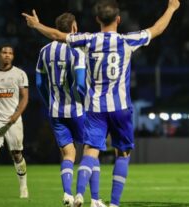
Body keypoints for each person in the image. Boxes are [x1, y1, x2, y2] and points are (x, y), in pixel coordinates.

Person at [22, 0, 181, 206]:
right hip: (121, 107)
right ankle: (113, 203)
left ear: (97, 19)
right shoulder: (127, 41)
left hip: (95, 108)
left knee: (89, 151)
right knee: (122, 154)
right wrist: (171, 8)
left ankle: (79, 194)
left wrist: (37, 25)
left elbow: (57, 36)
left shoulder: (88, 40)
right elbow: (157, 29)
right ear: (118, 19)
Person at [35, 13, 101, 207]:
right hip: (77, 110)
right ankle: (91, 198)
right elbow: (80, 85)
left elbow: (39, 83)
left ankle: (67, 195)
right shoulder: (76, 52)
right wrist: (87, 102)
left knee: (68, 155)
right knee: (91, 152)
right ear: (73, 29)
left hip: (55, 111)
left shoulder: (44, 50)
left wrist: (49, 102)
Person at [0, 44, 29, 198]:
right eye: (4, 52)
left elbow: (25, 97)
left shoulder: (20, 74)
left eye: (10, 53)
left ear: (13, 56)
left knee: (17, 154)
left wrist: (16, 114)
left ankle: (23, 186)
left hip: (13, 119)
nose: (7, 55)